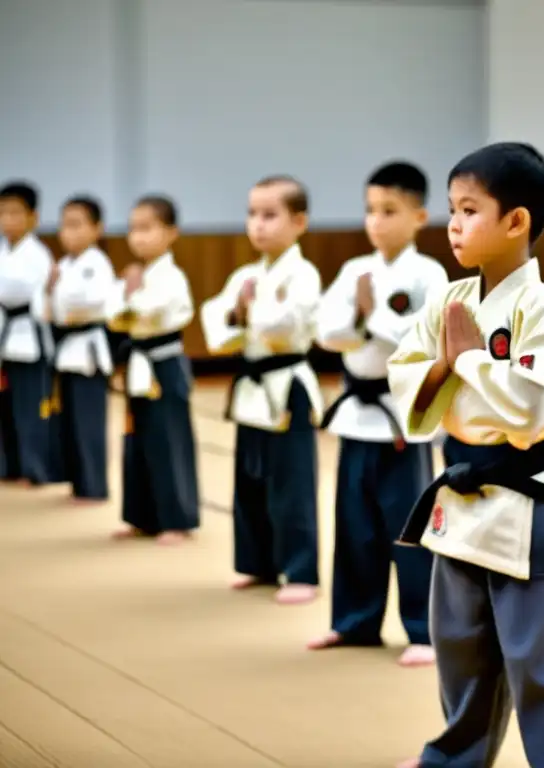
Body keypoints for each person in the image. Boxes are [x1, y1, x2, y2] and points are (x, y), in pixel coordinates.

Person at [389, 143, 544, 768]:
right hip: (459, 499)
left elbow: (530, 407)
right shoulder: (448, 300)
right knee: (460, 648)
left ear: (517, 221)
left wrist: (470, 359)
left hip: (527, 503)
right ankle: (456, 758)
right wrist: (447, 364)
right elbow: (406, 376)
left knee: (543, 661)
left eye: (469, 210)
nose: (453, 224)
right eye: (451, 210)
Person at [309, 162, 448, 665]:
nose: (377, 221)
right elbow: (326, 332)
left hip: (403, 418)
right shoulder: (354, 271)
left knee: (411, 529)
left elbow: (422, 338)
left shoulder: (429, 274)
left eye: (389, 211)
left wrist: (371, 316)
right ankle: (353, 622)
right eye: (371, 210)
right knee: (355, 527)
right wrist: (365, 322)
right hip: (357, 414)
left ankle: (424, 631)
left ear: (418, 216)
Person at [200, 175, 323, 606]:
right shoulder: (244, 276)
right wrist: (240, 311)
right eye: (253, 214)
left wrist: (248, 311)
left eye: (270, 215)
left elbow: (282, 327)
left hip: (288, 387)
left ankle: (302, 570)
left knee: (291, 483)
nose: (258, 225)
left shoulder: (303, 274)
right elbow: (216, 329)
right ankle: (258, 563)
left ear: (299, 221)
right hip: (253, 388)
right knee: (250, 479)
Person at [107, 195, 200, 544]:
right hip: (138, 362)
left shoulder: (171, 276)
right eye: (133, 229)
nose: (139, 237)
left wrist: (131, 294)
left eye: (147, 228)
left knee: (168, 439)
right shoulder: (138, 275)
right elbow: (113, 316)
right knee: (137, 440)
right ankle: (141, 516)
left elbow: (143, 313)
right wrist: (129, 294)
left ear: (171, 233)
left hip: (164, 364)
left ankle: (177, 518)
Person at [41, 196, 116, 502]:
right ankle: (78, 483)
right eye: (64, 225)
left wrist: (59, 297)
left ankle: (94, 485)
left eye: (76, 225)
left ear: (96, 229)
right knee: (70, 423)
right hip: (66, 348)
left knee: (89, 423)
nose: (68, 233)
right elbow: (44, 310)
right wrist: (50, 291)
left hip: (89, 350)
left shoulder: (97, 263)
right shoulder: (63, 265)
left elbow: (95, 302)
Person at [0, 181, 61, 486]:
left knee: (30, 410)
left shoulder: (38, 254)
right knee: (5, 410)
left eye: (15, 213)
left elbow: (14, 291)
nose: (8, 220)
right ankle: (8, 465)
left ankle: (34, 467)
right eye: (2, 213)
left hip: (29, 338)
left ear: (32, 217)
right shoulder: (3, 250)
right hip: (4, 338)